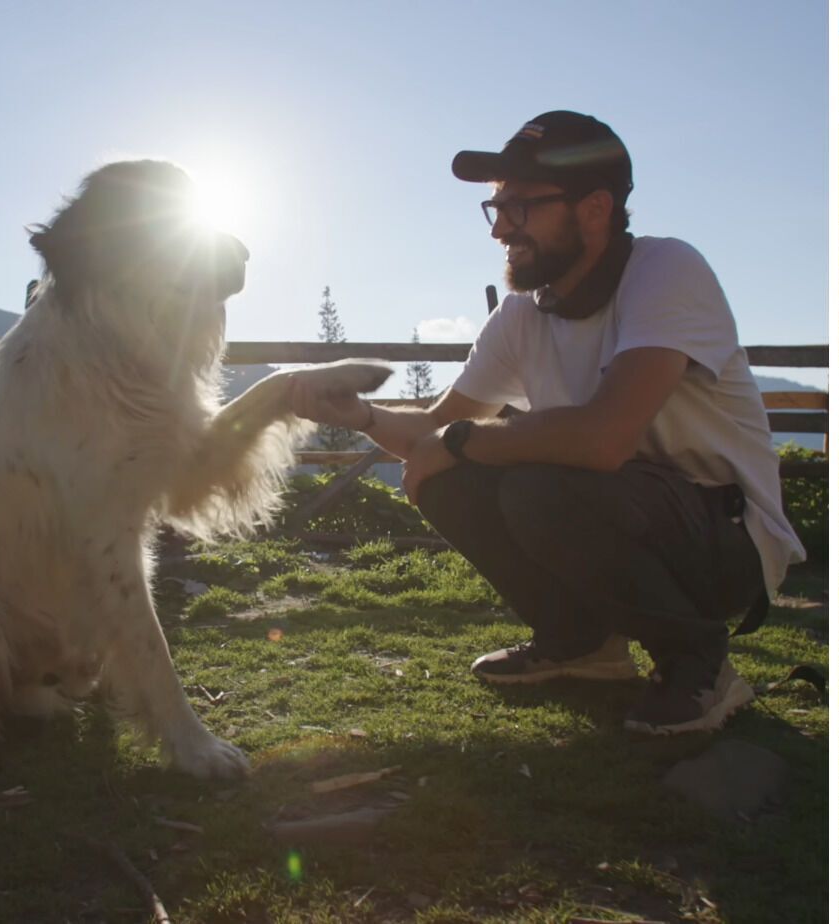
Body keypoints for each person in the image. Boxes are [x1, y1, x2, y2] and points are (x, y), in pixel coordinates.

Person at [290, 110, 807, 731]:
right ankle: (581, 644)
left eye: (521, 207)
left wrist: (459, 440)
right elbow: (436, 431)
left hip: (726, 541)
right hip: (630, 513)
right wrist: (364, 414)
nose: (501, 229)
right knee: (445, 478)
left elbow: (602, 440)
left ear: (594, 207)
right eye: (497, 207)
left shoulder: (666, 272)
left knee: (538, 483)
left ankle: (700, 664)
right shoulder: (521, 315)